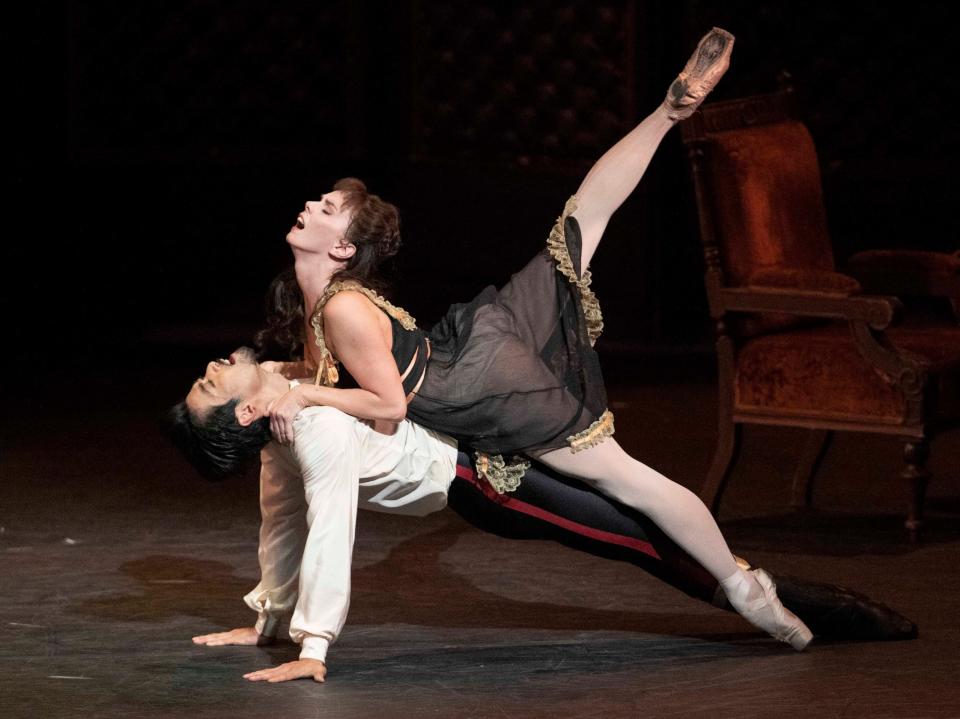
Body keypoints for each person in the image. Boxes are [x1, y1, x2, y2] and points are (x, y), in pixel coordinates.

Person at [249, 28, 818, 653]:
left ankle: (746, 590)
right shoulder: (319, 301)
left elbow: (388, 405)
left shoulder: (343, 308)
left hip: (481, 385)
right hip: (469, 357)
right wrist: (288, 382)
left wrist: (303, 399)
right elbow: (332, 374)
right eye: (324, 201)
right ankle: (670, 112)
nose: (309, 204)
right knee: (577, 224)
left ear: (343, 249)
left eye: (326, 208)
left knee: (625, 480)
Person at [169, 349, 916, 683]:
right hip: (491, 482)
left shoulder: (294, 409)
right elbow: (316, 526)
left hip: (485, 446)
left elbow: (283, 524)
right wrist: (309, 641)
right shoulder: (310, 431)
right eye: (211, 381)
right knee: (640, 540)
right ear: (241, 410)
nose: (216, 360)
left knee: (643, 524)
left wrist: (268, 615)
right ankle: (804, 607)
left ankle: (793, 598)